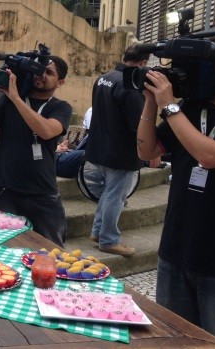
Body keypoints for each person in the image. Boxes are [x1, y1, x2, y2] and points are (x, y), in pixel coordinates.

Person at [136, 26, 215, 349]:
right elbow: (146, 152)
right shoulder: (193, 106)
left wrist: (169, 105)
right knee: (170, 341)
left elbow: (210, 155)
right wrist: (150, 102)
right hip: (175, 248)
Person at [0, 56, 73, 247]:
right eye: (39, 70)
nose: (41, 75)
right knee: (1, 251)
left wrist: (15, 98)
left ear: (60, 82)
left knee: (51, 253)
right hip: (6, 190)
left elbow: (46, 130)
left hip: (42, 193)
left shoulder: (60, 107)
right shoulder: (8, 102)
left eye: (49, 72)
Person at [84, 45, 150, 256]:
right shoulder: (130, 85)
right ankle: (109, 239)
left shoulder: (104, 77)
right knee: (117, 195)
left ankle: (98, 231)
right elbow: (138, 123)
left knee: (109, 191)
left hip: (100, 145)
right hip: (120, 150)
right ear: (143, 62)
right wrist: (151, 148)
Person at [55, 107, 91, 178]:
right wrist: (55, 149)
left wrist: (59, 146)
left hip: (63, 154)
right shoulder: (92, 111)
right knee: (89, 153)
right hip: (54, 160)